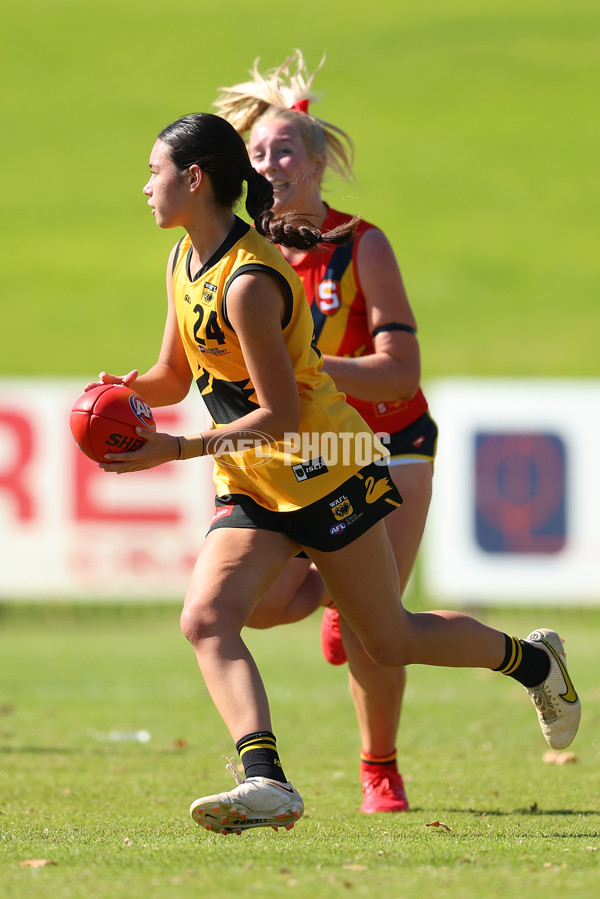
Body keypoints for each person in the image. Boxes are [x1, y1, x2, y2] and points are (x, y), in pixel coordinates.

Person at [88, 110, 580, 837]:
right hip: (256, 479)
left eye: (153, 172)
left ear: (193, 179)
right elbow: (173, 375)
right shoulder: (182, 259)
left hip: (327, 472)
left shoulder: (250, 282)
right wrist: (119, 397)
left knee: (389, 641)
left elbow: (283, 416)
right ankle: (266, 781)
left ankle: (533, 664)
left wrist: (178, 448)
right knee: (207, 619)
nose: (144, 187)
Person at [213, 51, 436, 813]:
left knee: (379, 632)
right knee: (265, 604)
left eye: (284, 151)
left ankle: (380, 768)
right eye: (257, 153)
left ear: (316, 165)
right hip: (307, 448)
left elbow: (400, 374)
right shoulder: (244, 252)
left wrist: (305, 368)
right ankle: (338, 588)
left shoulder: (361, 244)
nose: (268, 164)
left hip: (388, 442)